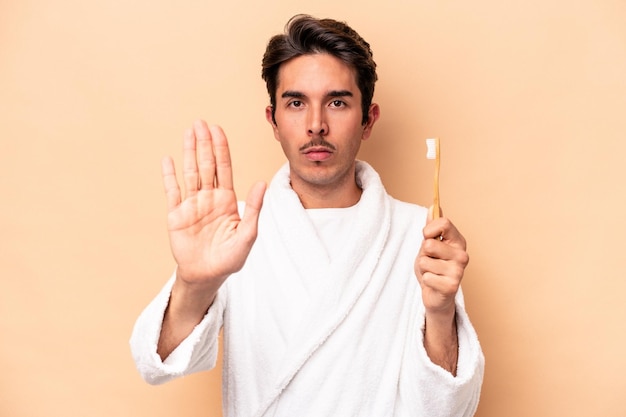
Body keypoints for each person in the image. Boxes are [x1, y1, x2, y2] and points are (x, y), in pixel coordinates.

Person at [130, 14, 484, 417]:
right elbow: (154, 364)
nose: (316, 125)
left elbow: (447, 410)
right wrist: (194, 283)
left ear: (368, 120)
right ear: (274, 121)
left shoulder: (418, 235)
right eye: (296, 103)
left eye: (337, 102)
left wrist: (440, 314)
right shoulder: (235, 228)